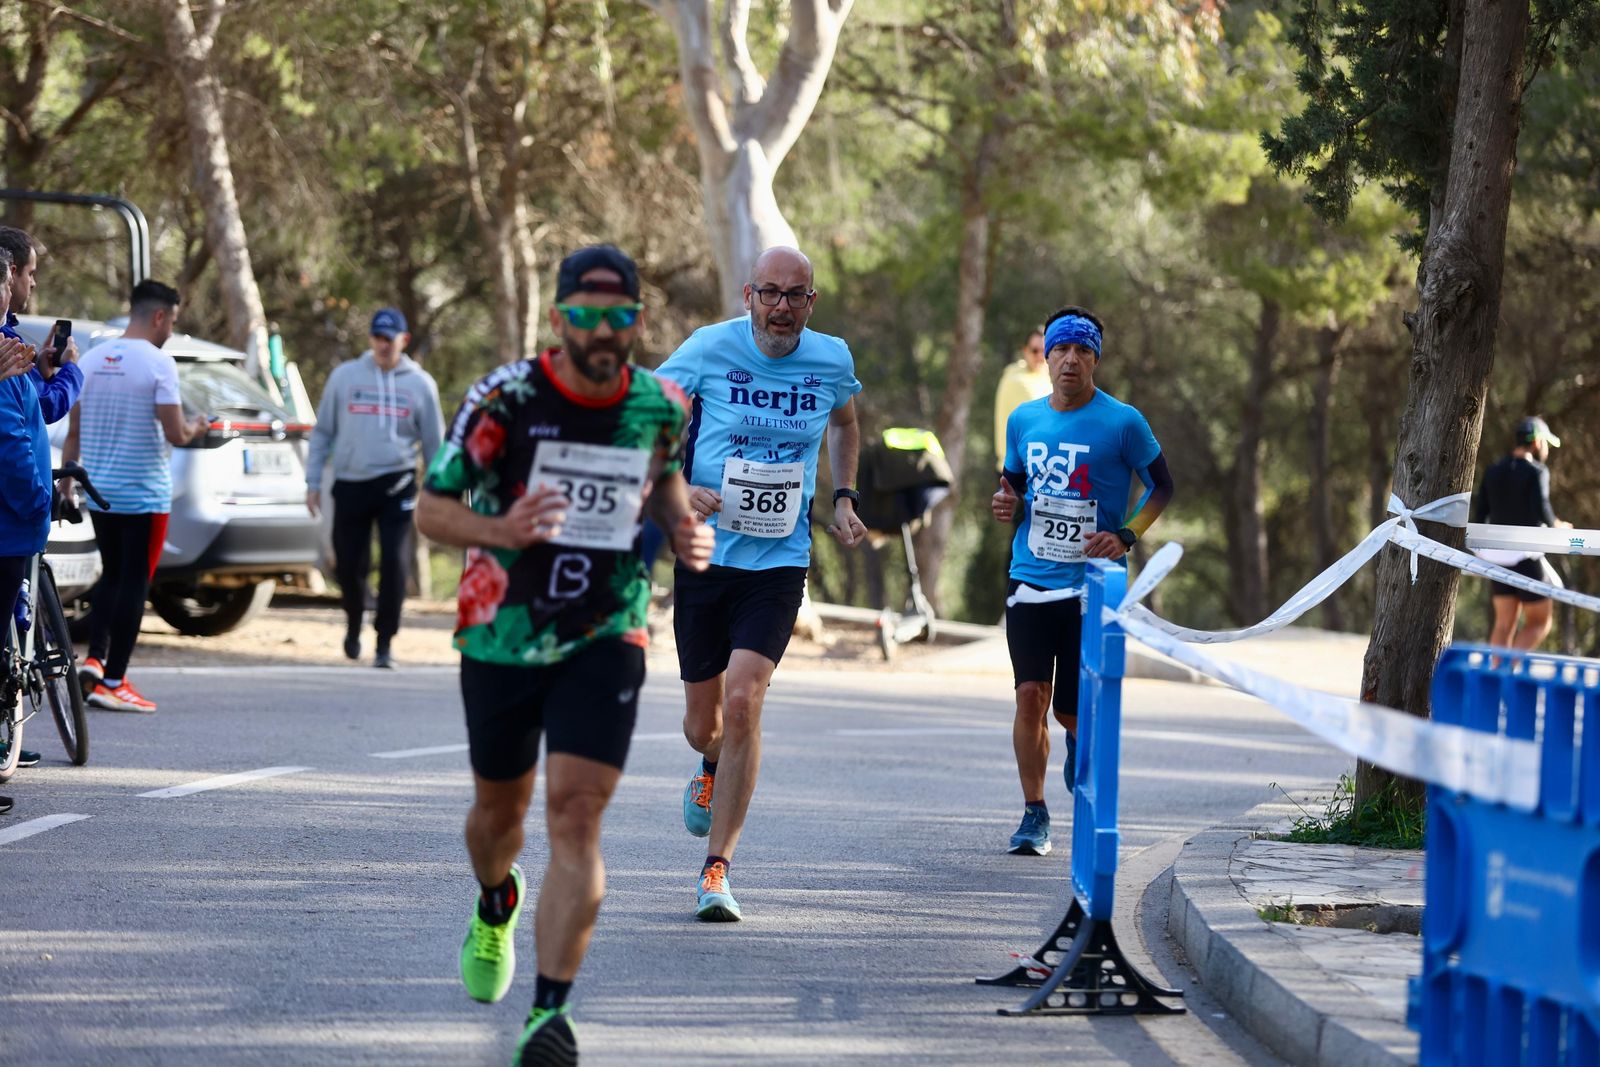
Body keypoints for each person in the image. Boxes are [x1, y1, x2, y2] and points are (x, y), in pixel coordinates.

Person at [416, 245, 712, 1067]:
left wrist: (682, 527)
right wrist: (501, 528)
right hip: (503, 633)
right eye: (586, 316)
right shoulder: (505, 398)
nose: (603, 331)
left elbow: (663, 480)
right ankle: (495, 897)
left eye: (619, 317)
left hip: (605, 628)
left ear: (637, 322)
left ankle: (549, 1014)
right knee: (499, 820)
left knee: (577, 815)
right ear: (559, 320)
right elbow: (432, 510)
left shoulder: (661, 404)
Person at [653, 245, 868, 922]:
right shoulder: (708, 347)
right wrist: (678, 485)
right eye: (769, 293)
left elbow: (845, 422)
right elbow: (646, 416)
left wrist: (843, 496)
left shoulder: (831, 360)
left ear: (811, 302)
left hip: (778, 561)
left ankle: (716, 869)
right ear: (748, 296)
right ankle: (710, 765)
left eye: (794, 295)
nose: (781, 307)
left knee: (744, 701)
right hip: (705, 555)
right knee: (704, 725)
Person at [991, 306, 1174, 856]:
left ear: (1096, 359)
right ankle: (1034, 813)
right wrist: (1006, 503)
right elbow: (1011, 485)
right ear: (1046, 357)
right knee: (1030, 696)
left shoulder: (1123, 422)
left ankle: (1074, 736)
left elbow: (1162, 487)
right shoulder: (1023, 419)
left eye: (1082, 351)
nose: (1071, 360)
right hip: (1030, 577)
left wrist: (1126, 535)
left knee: (1069, 709)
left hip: (1091, 586)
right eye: (1061, 350)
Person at [66, 280, 209, 713]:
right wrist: (197, 427)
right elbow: (175, 433)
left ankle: (96, 660)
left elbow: (74, 432)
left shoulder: (91, 359)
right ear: (160, 316)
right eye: (173, 321)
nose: (171, 331)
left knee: (111, 577)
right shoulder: (159, 363)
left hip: (101, 491)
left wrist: (68, 484)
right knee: (135, 582)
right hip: (145, 495)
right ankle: (114, 681)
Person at [305, 308, 444, 669]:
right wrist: (313, 482)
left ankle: (385, 642)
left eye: (389, 339)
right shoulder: (345, 377)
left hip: (397, 483)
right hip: (350, 482)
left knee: (395, 564)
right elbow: (323, 433)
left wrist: (440, 491)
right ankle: (354, 621)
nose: (383, 345)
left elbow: (434, 444)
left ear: (404, 340)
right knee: (351, 565)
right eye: (377, 338)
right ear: (370, 339)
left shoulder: (421, 384)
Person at [0, 245, 50, 811]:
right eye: (16, 276)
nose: (21, 285)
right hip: (10, 525)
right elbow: (11, 443)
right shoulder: (4, 356)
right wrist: (39, 503)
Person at [1473, 415, 1572, 650]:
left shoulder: (1493, 470)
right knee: (1539, 622)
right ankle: (1509, 669)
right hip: (1525, 556)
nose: (1546, 450)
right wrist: (1557, 524)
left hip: (1495, 555)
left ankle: (1496, 672)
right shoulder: (1537, 471)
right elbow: (1541, 507)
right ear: (1537, 442)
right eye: (1546, 443)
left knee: (1503, 624)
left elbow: (1480, 512)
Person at [0, 226, 83, 424]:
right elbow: (45, 406)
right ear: (12, 273)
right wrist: (71, 368)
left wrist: (38, 373)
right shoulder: (7, 340)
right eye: (31, 273)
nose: (33, 283)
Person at [993, 327, 1049, 471]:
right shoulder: (1018, 381)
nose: (1040, 356)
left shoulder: (1043, 377)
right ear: (1025, 351)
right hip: (1020, 469)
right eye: (1035, 350)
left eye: (1045, 350)